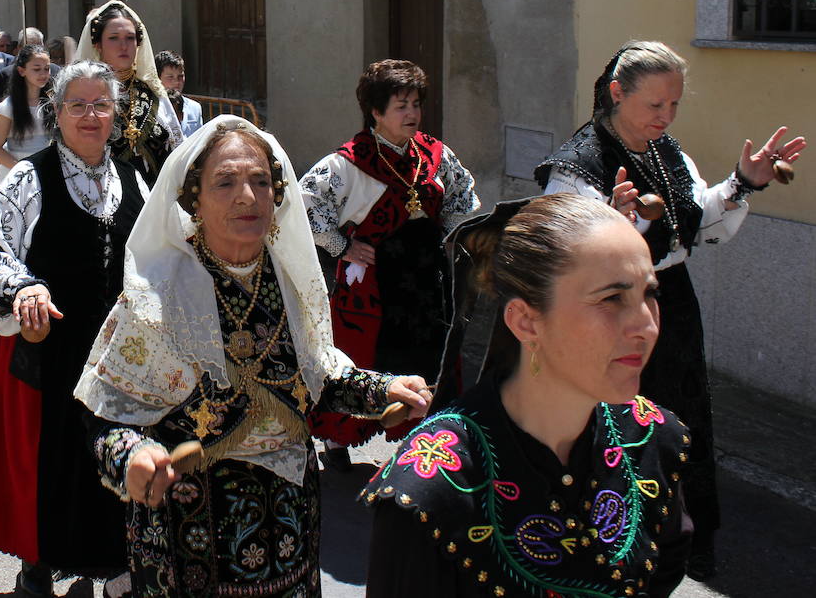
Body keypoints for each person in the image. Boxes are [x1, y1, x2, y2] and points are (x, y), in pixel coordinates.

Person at [75, 116, 432, 597]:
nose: (248, 195)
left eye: (261, 181)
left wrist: (381, 389)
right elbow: (105, 415)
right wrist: (133, 456)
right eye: (225, 182)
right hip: (189, 533)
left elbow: (320, 374)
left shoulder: (293, 283)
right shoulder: (155, 298)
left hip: (292, 526)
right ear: (192, 199)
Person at [534, 40, 805, 579]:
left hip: (670, 305)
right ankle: (609, 544)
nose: (667, 115)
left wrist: (744, 183)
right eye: (655, 104)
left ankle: (682, 536)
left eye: (674, 104)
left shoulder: (666, 152)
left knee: (679, 419)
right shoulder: (578, 165)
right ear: (617, 93)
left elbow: (694, 222)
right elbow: (561, 253)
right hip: (605, 314)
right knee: (613, 423)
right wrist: (610, 224)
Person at [362, 194, 693, 597]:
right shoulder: (432, 488)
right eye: (611, 298)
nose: (646, 326)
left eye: (650, 294)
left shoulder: (654, 438)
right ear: (526, 321)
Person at [0, 61, 150, 597]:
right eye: (77, 104)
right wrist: (21, 287)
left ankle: (111, 570)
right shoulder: (31, 177)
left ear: (116, 113)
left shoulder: (133, 178)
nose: (91, 115)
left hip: (118, 355)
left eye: (101, 104)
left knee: (112, 461)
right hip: (52, 352)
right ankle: (36, 576)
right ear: (56, 113)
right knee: (50, 463)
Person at [299, 59, 479, 465]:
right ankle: (340, 435)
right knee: (363, 355)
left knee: (429, 352)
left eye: (415, 103)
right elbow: (305, 203)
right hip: (375, 278)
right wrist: (341, 246)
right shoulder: (348, 162)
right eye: (401, 105)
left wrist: (452, 235)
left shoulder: (434, 154)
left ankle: (425, 438)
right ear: (376, 112)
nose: (412, 113)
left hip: (426, 277)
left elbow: (460, 198)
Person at [76, 0, 183, 184]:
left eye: (130, 38)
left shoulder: (153, 93)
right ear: (98, 45)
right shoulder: (82, 95)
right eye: (114, 38)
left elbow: (176, 151)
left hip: (152, 203)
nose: (123, 45)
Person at [0, 43, 54, 171]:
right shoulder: (8, 107)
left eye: (46, 69)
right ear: (21, 70)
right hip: (16, 171)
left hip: (47, 168)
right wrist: (22, 170)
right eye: (36, 69)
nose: (43, 74)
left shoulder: (53, 103)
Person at [154, 49, 203, 138]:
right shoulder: (152, 109)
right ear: (158, 78)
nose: (177, 82)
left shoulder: (195, 108)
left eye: (180, 76)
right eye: (170, 77)